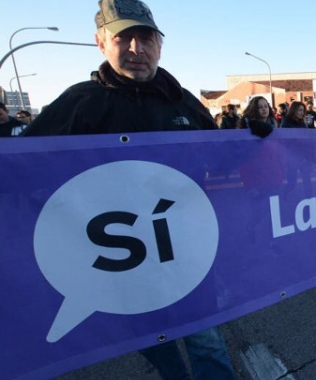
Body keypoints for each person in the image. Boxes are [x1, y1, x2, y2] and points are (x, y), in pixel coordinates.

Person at [21, 0, 273, 378]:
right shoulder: (78, 104)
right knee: (151, 339)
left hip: (186, 249)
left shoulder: (184, 102)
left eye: (146, 38)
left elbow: (217, 162)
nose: (137, 49)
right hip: (121, 260)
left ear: (160, 45)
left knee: (205, 338)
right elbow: (23, 172)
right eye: (124, 38)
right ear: (101, 42)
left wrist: (251, 140)